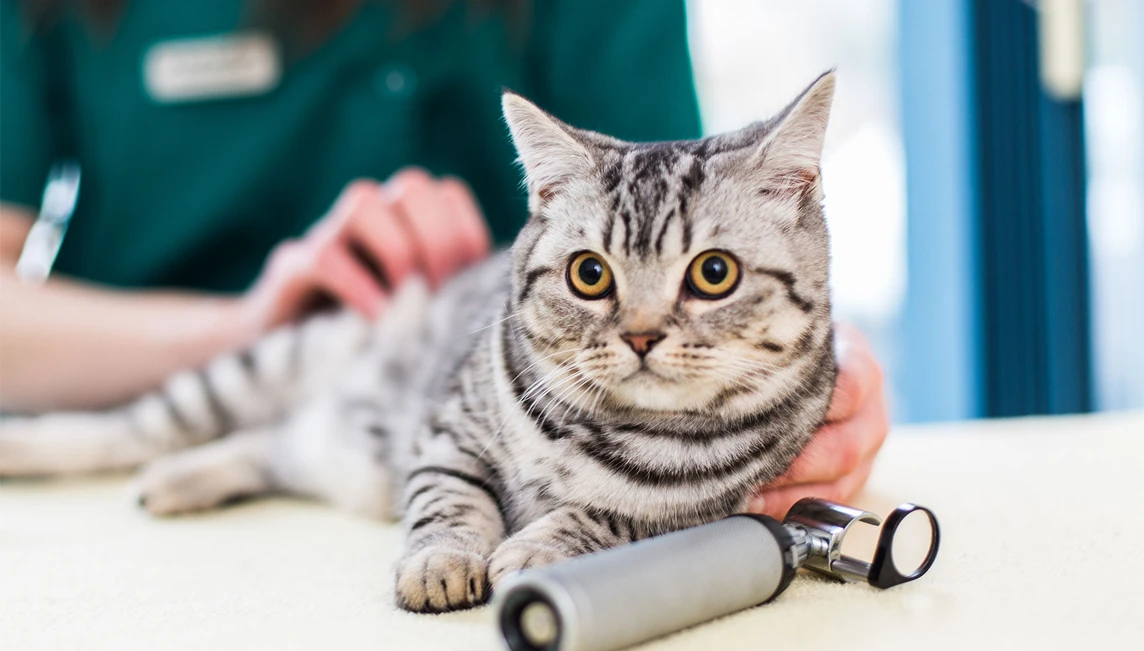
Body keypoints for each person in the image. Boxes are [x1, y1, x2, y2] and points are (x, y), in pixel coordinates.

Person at [0, 0, 887, 518]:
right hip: (104, 463)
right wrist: (242, 325)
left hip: (523, 450)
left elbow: (691, 232)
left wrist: (818, 374)